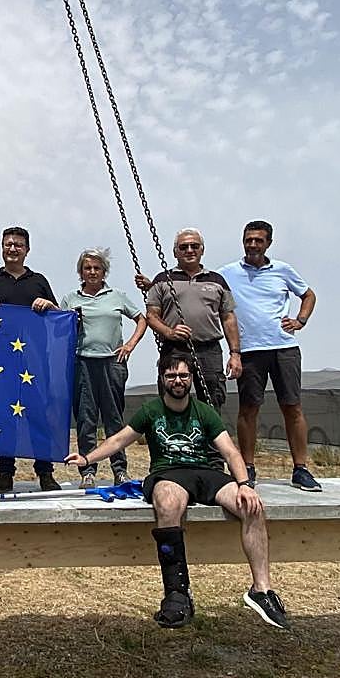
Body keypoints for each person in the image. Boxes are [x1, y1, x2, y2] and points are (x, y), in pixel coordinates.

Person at [65, 351, 289, 630]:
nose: (178, 380)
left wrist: (244, 485)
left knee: (252, 506)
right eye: (171, 376)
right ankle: (177, 593)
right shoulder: (151, 410)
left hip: (204, 473)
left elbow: (231, 452)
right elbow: (118, 440)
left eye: (183, 375)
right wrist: (87, 459)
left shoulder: (203, 411)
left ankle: (261, 590)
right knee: (169, 503)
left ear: (191, 379)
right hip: (167, 473)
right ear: (163, 380)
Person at [219, 220, 321, 492]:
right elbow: (200, 284)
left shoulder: (283, 270)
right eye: (248, 239)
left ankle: (301, 469)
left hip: (283, 347)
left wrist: (300, 320)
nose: (253, 245)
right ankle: (247, 468)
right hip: (249, 350)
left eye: (258, 240)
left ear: (268, 243)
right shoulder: (228, 273)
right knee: (249, 408)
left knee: (292, 406)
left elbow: (309, 294)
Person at [0, 226, 61, 493]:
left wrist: (49, 306)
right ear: (2, 248)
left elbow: (60, 318)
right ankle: (4, 475)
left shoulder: (39, 281)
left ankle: (46, 474)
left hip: (34, 363)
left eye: (18, 245)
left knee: (38, 417)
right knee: (4, 419)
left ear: (27, 250)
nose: (12, 249)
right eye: (8, 244)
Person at [60, 248, 148, 488]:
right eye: (87, 268)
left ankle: (120, 470)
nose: (92, 272)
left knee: (114, 418)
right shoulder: (70, 298)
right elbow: (58, 327)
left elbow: (142, 318)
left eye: (96, 268)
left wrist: (129, 344)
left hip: (112, 362)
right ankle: (87, 471)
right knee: (86, 420)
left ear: (104, 271)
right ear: (81, 272)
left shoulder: (117, 295)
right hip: (82, 362)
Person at [145, 228, 241, 409]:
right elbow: (151, 316)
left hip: (209, 350)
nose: (189, 250)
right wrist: (170, 332)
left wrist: (235, 354)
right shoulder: (162, 279)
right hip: (174, 349)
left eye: (194, 246)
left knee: (212, 401)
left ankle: (210, 437)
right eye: (184, 247)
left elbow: (228, 318)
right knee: (171, 400)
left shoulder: (217, 280)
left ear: (202, 250)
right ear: (175, 252)